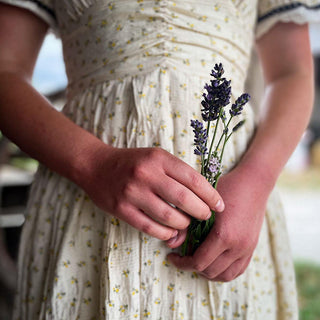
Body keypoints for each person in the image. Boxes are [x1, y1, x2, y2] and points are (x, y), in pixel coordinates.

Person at [0, 1, 319, 319]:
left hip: (235, 215)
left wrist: (258, 177)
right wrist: (92, 163)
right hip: (83, 205)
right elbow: (5, 69)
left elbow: (292, 72)